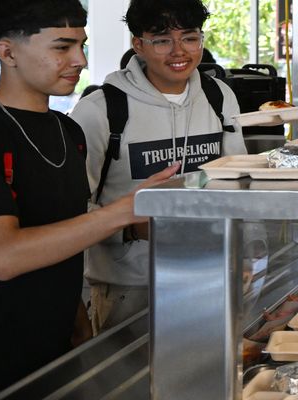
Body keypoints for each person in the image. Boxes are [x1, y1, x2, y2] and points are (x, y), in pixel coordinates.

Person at [0, 0, 175, 397]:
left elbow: (63, 234)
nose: (80, 60)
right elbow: (5, 256)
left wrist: (76, 319)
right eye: (62, 47)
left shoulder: (69, 134)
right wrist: (123, 211)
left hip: (49, 348)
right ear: (7, 52)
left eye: (81, 45)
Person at [70, 0, 246, 334]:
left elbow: (235, 178)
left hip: (209, 275)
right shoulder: (101, 110)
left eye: (190, 38)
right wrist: (132, 227)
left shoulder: (219, 96)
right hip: (129, 286)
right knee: (126, 383)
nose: (179, 52)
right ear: (138, 44)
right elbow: (73, 210)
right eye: (163, 40)